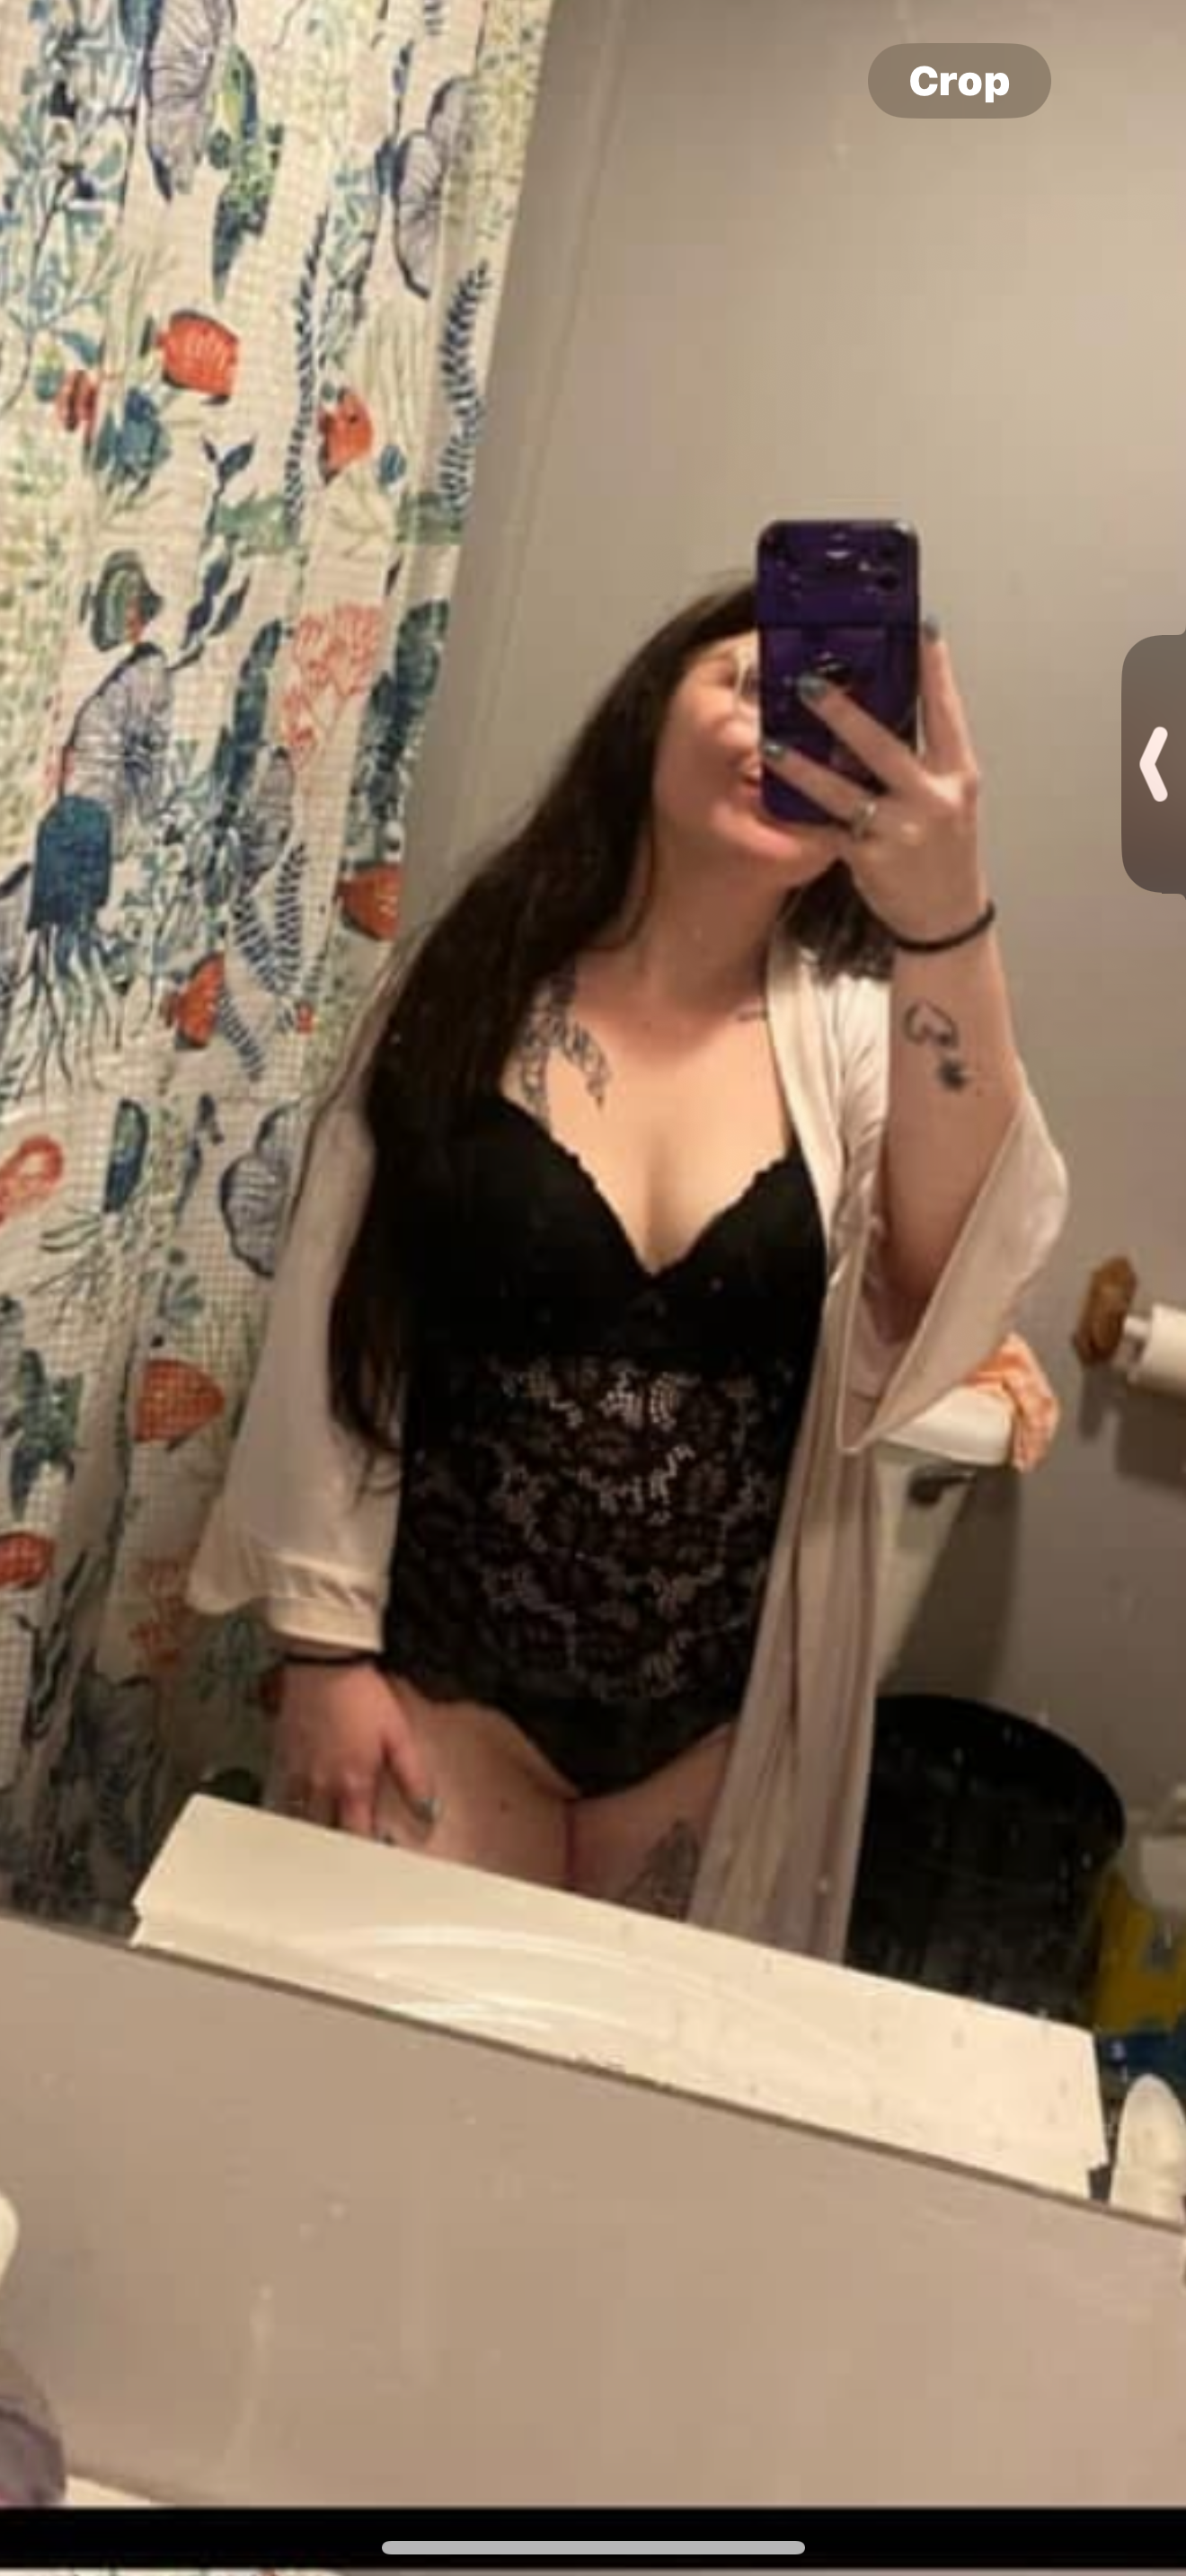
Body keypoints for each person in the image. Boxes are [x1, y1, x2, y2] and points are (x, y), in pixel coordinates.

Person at [188, 579, 1068, 1955]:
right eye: (749, 686)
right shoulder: (472, 987)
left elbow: (948, 1287)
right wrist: (322, 1651)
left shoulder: (858, 1041)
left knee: (623, 2079)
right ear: (648, 712)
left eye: (835, 720)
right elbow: (342, 1312)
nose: (785, 734)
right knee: (382, 2056)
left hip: (719, 1734)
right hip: (441, 1695)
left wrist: (946, 924)